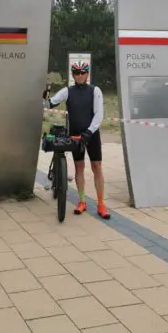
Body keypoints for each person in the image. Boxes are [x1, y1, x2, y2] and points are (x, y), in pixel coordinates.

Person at [43, 60, 109, 219]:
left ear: (87, 74)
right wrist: (45, 97)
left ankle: (101, 203)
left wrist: (88, 132)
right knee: (79, 167)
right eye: (77, 73)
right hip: (74, 134)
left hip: (91, 134)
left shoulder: (95, 91)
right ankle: (82, 201)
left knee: (96, 166)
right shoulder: (68, 91)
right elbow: (50, 103)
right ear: (73, 75)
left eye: (83, 72)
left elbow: (99, 115)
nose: (80, 75)